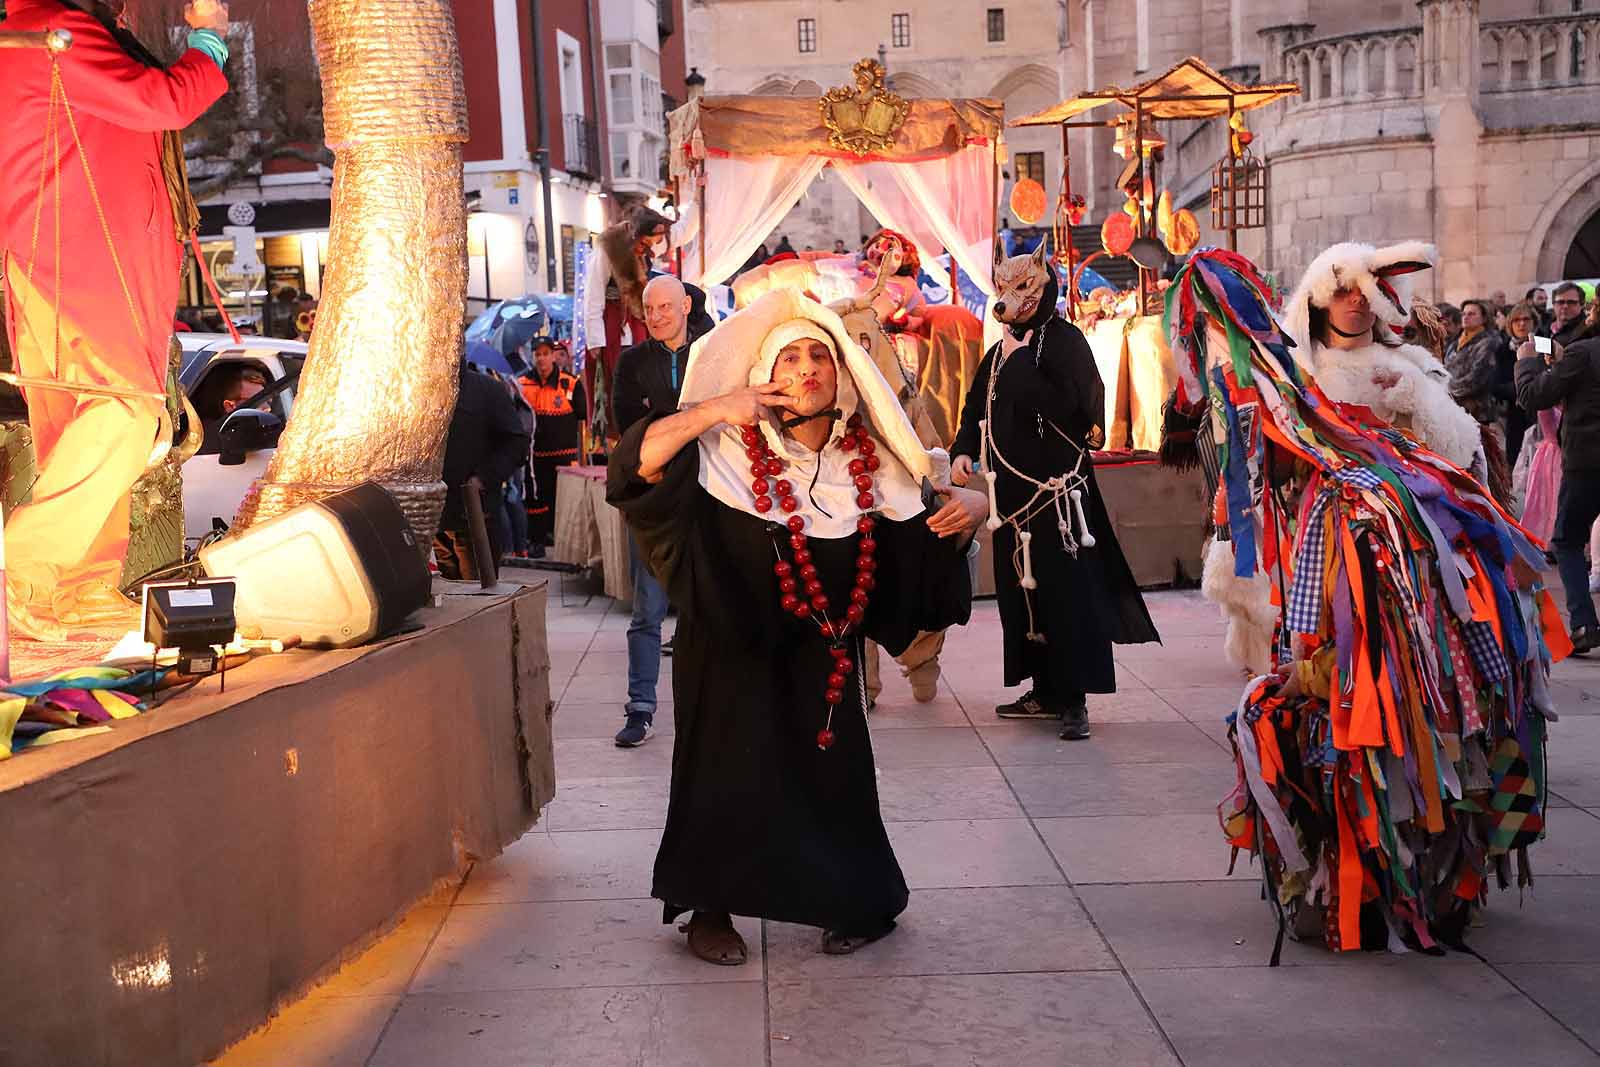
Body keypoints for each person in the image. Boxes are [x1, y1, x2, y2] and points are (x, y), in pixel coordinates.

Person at [607, 288, 985, 964]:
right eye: (789, 356)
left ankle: (856, 901)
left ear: (843, 375)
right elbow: (633, 466)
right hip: (727, 655)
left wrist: (976, 510)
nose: (806, 368)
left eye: (821, 355)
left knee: (834, 785)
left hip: (823, 665)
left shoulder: (871, 466)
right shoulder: (720, 453)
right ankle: (709, 909)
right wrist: (719, 407)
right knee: (722, 779)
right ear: (763, 376)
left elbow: (926, 550)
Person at [1, 0, 229, 639]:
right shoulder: (54, 33)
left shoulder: (38, 33)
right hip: (87, 255)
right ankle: (24, 568)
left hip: (59, 249)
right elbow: (165, 102)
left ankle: (81, 587)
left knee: (78, 417)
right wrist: (209, 38)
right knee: (124, 411)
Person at [952, 241, 1159, 739]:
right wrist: (962, 446)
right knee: (1024, 599)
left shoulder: (1064, 341)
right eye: (1004, 288)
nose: (1009, 298)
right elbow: (977, 403)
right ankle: (1043, 689)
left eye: (1021, 287)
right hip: (1013, 503)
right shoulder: (1001, 348)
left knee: (1069, 595)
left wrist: (1023, 366)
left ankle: (1073, 699)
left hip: (1061, 499)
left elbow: (1077, 414)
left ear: (1042, 288)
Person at [610, 275, 713, 747]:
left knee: (710, 606)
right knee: (647, 611)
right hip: (653, 499)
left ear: (686, 305)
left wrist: (665, 422)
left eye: (665, 307)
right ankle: (641, 708)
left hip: (708, 494)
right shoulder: (632, 362)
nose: (655, 316)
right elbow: (627, 424)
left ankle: (712, 710)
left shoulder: (713, 351)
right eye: (649, 309)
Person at [1516, 328, 1600, 652]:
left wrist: (1526, 363)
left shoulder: (1585, 352)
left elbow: (1533, 396)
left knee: (1567, 540)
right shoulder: (1580, 353)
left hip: (1588, 462)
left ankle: (1583, 624)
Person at [434, 360, 531, 582]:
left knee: (476, 592)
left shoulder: (486, 390)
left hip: (475, 515)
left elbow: (516, 443)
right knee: (445, 598)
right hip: (437, 517)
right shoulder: (423, 391)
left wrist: (483, 479)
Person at [582, 208, 669, 427]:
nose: (648, 249)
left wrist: (697, 198)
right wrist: (596, 342)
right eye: (646, 243)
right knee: (615, 383)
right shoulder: (608, 250)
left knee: (643, 379)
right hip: (612, 327)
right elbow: (592, 296)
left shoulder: (643, 250)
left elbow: (679, 234)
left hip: (638, 324)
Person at [519, 338, 585, 554]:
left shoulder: (571, 383)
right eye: (537, 354)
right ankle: (537, 542)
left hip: (565, 457)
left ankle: (566, 546)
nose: (541, 358)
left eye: (545, 353)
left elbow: (583, 420)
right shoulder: (522, 384)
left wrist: (582, 459)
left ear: (553, 356)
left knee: (565, 501)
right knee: (536, 499)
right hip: (535, 456)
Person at [1502, 300, 1539, 467]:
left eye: (1526, 319)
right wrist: (1521, 388)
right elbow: (1496, 385)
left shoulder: (1544, 345)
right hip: (1514, 414)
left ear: (1534, 322)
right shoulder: (1504, 349)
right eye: (1516, 320)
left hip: (1539, 414)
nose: (1522, 324)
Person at [198, 363, 267, 451]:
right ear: (229, 406)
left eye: (268, 401)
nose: (267, 408)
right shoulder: (204, 438)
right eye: (257, 402)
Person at [1541, 281, 1589, 347]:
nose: (1565, 306)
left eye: (1571, 302)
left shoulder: (1587, 331)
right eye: (1560, 302)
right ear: (1553, 304)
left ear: (1582, 305)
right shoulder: (1543, 325)